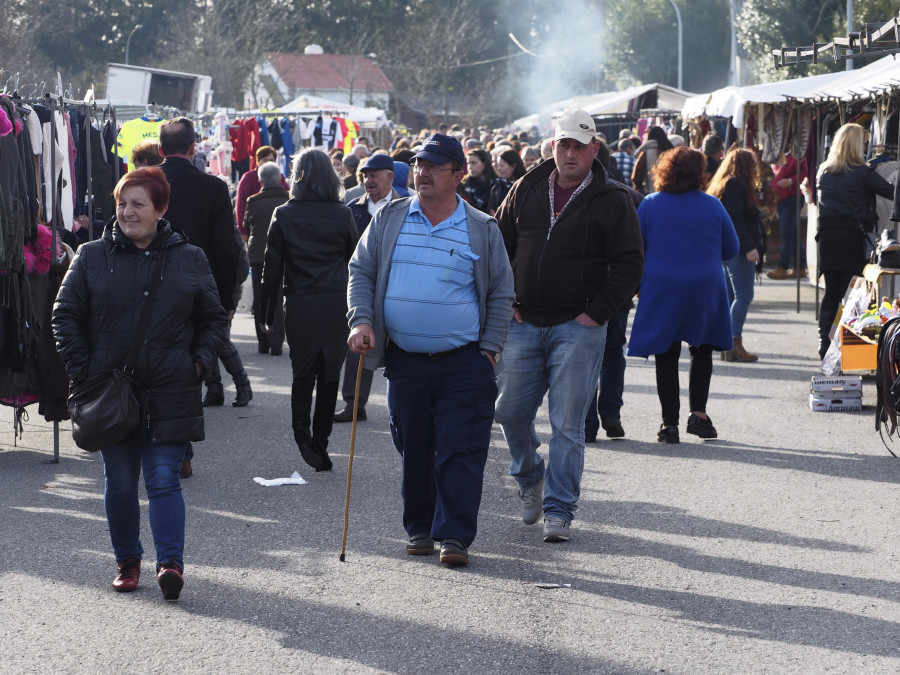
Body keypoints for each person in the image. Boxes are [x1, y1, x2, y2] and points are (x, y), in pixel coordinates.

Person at [52, 167, 227, 600]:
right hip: (113, 393)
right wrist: (85, 372)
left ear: (161, 209)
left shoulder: (190, 258)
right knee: (122, 481)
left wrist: (198, 367)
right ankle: (127, 561)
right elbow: (64, 316)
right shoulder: (92, 255)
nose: (127, 212)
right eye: (121, 203)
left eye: (138, 204)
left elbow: (213, 320)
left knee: (164, 478)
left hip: (171, 389)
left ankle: (170, 563)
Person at [346, 133, 514, 567]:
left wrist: (490, 350)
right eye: (419, 165)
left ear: (458, 175)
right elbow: (360, 270)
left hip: (464, 361)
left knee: (461, 447)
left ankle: (454, 535)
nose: (421, 173)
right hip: (406, 359)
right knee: (414, 445)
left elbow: (500, 293)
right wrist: (361, 320)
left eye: (435, 166)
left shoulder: (481, 227)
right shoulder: (389, 219)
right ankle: (420, 527)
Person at [494, 108, 644, 543]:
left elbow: (630, 263)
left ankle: (559, 509)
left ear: (594, 148)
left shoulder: (612, 198)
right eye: (564, 144)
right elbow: (498, 245)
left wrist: (597, 312)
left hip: (578, 326)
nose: (571, 153)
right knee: (507, 411)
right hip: (524, 320)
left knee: (567, 424)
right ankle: (529, 476)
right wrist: (507, 302)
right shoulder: (526, 188)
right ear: (553, 146)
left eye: (580, 145)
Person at [627, 147, 739, 443]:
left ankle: (669, 424)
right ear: (700, 173)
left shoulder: (650, 204)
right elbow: (732, 249)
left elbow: (636, 249)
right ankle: (699, 416)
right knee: (701, 350)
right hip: (704, 286)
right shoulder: (713, 205)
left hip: (662, 286)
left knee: (666, 352)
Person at [158, 117, 247, 477]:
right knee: (188, 369)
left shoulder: (143, 183)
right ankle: (181, 450)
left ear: (160, 149)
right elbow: (227, 249)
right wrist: (225, 301)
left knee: (152, 366)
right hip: (198, 289)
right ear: (194, 148)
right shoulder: (212, 188)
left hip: (148, 285)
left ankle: (164, 446)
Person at [262, 148, 358, 472]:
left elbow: (271, 268)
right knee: (330, 373)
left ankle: (302, 434)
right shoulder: (342, 213)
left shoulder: (285, 213)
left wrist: (267, 312)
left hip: (300, 301)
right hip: (335, 301)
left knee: (302, 372)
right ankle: (321, 441)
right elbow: (354, 261)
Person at [815, 123, 895, 358]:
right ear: (855, 145)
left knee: (831, 292)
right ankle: (845, 344)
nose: (866, 147)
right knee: (852, 294)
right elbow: (891, 192)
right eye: (864, 143)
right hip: (852, 238)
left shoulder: (823, 171)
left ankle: (824, 342)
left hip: (828, 239)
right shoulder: (862, 173)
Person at [583, 141, 644, 443]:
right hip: (618, 288)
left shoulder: (579, 194)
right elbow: (640, 249)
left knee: (584, 355)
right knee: (612, 352)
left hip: (585, 288)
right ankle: (611, 412)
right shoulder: (632, 196)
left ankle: (587, 422)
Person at [334, 153, 401, 424]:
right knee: (358, 344)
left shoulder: (405, 207)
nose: (368, 180)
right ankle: (353, 403)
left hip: (396, 286)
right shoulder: (352, 208)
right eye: (364, 175)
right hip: (362, 286)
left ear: (390, 177)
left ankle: (406, 404)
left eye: (374, 175)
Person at [707, 148, 765, 362]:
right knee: (743, 295)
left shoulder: (727, 183)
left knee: (732, 297)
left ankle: (727, 344)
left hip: (728, 248)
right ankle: (733, 342)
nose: (756, 168)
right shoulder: (735, 185)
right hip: (737, 249)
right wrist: (749, 246)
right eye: (753, 164)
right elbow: (735, 219)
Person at [244, 162, 289, 355]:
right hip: (284, 256)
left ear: (260, 180)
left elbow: (247, 225)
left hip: (258, 255)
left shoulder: (253, 201)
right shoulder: (289, 199)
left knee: (261, 300)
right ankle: (277, 342)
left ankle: (263, 342)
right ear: (280, 178)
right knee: (279, 298)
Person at [767, 151, 808, 279]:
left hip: (792, 197)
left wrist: (791, 181)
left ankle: (783, 266)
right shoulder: (779, 155)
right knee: (792, 232)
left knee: (787, 232)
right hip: (782, 198)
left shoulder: (797, 156)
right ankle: (800, 267)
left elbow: (806, 173)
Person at [234, 145, 288, 240]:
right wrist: (242, 230)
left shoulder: (280, 177)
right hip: (255, 227)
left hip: (278, 227)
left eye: (271, 160)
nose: (268, 163)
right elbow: (241, 204)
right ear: (258, 161)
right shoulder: (248, 178)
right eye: (265, 160)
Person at [632, 125, 674, 194]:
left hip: (650, 193)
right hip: (671, 193)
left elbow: (636, 176)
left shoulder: (645, 153)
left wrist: (640, 189)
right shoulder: (671, 150)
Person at [459, 148, 498, 214]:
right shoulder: (463, 184)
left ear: (484, 163)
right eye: (468, 163)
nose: (470, 167)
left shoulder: (496, 185)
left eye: (473, 163)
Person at [489, 148, 526, 214]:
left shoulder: (525, 185)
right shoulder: (497, 185)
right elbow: (491, 206)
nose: (498, 168)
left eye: (502, 166)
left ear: (513, 166)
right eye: (498, 165)